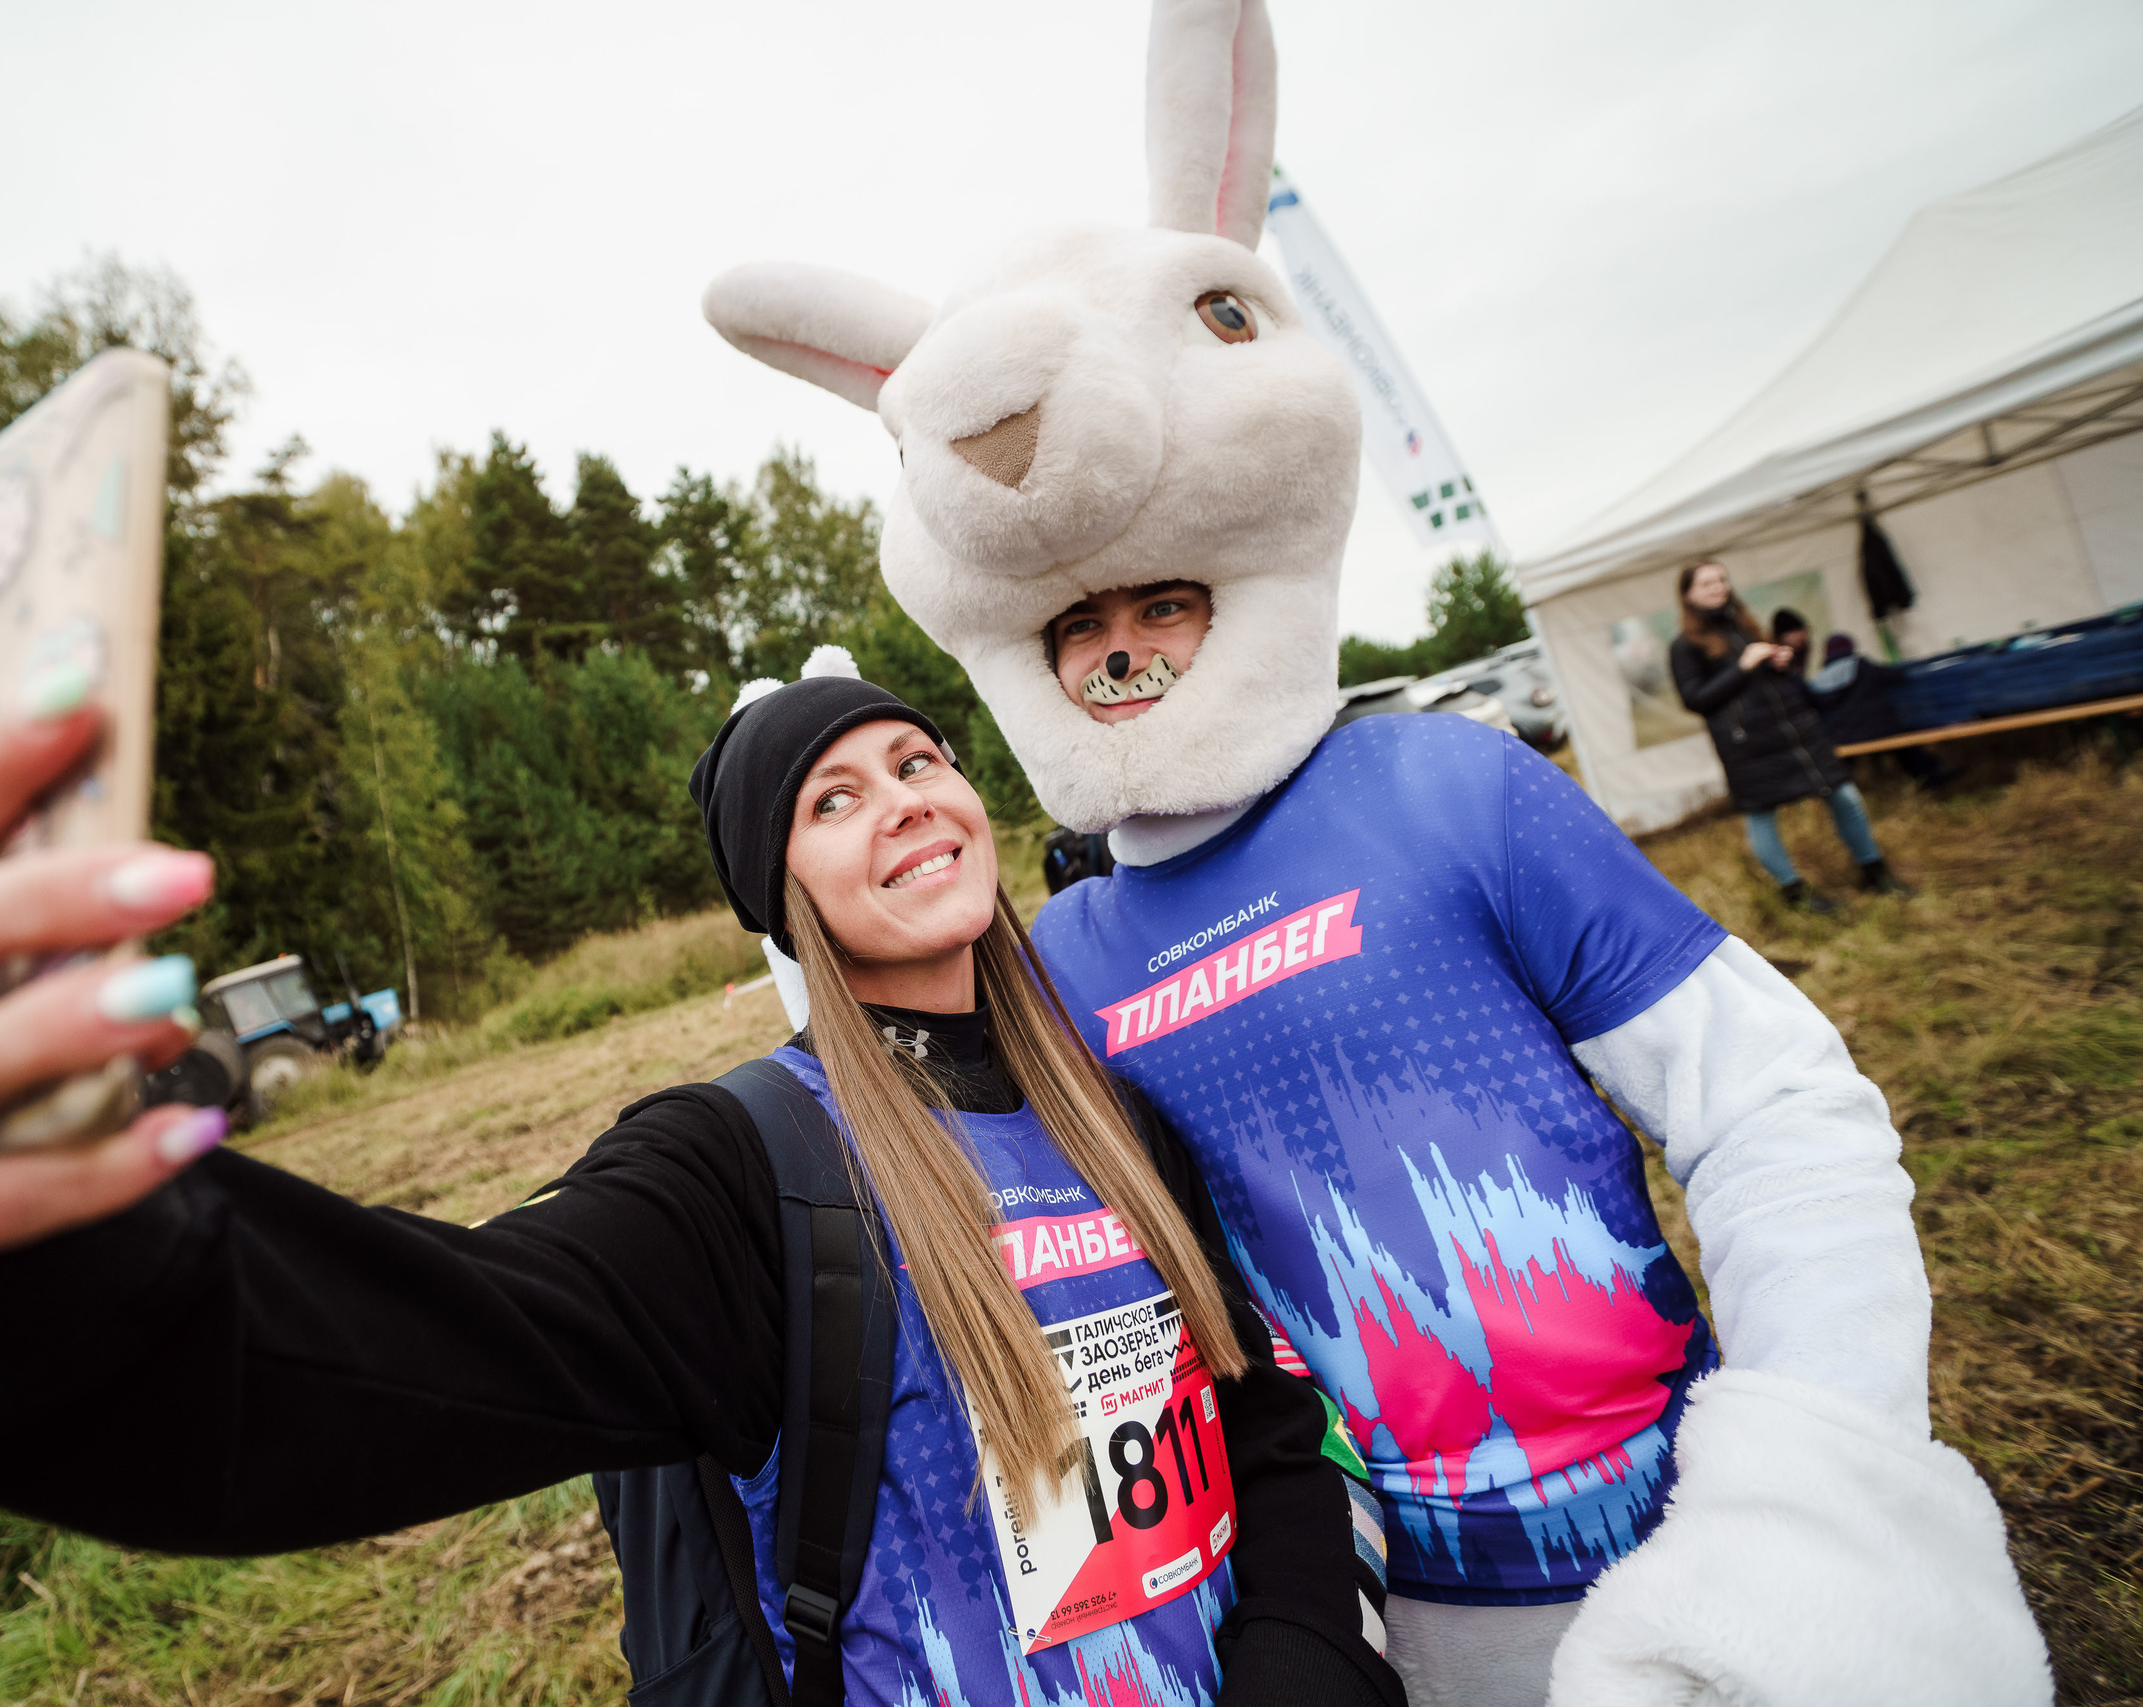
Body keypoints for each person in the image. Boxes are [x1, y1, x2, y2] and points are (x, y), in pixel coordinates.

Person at [692, 2, 2046, 1696]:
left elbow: (1775, 1106)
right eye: (1086, 629)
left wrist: (1812, 1494)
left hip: (1692, 1534)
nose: (1128, 654)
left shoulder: (1451, 789)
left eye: (1162, 606)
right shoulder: (1055, 971)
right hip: (1373, 1606)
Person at [0, 677, 1403, 1707]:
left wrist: (1308, 1654)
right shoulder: (742, 1170)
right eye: (831, 797)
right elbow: (367, 1374)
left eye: (921, 758)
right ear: (778, 898)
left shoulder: (1112, 1114)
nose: (904, 799)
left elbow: (1258, 1419)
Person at [1667, 562, 1912, 912]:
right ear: (1688, 594)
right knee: (1762, 816)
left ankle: (1875, 873)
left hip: (1794, 734)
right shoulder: (1684, 646)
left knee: (1845, 796)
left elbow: (1764, 683)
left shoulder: (1746, 626)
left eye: (1721, 579)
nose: (1718, 587)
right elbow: (1696, 700)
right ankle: (1795, 894)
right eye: (1706, 583)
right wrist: (1745, 665)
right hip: (1749, 746)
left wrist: (1777, 663)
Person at [1809, 630, 1955, 789]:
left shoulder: (1818, 681)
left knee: (1845, 755)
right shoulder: (1861, 666)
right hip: (1880, 730)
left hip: (1842, 738)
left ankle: (1838, 787)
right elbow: (1896, 676)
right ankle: (1929, 774)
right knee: (1903, 738)